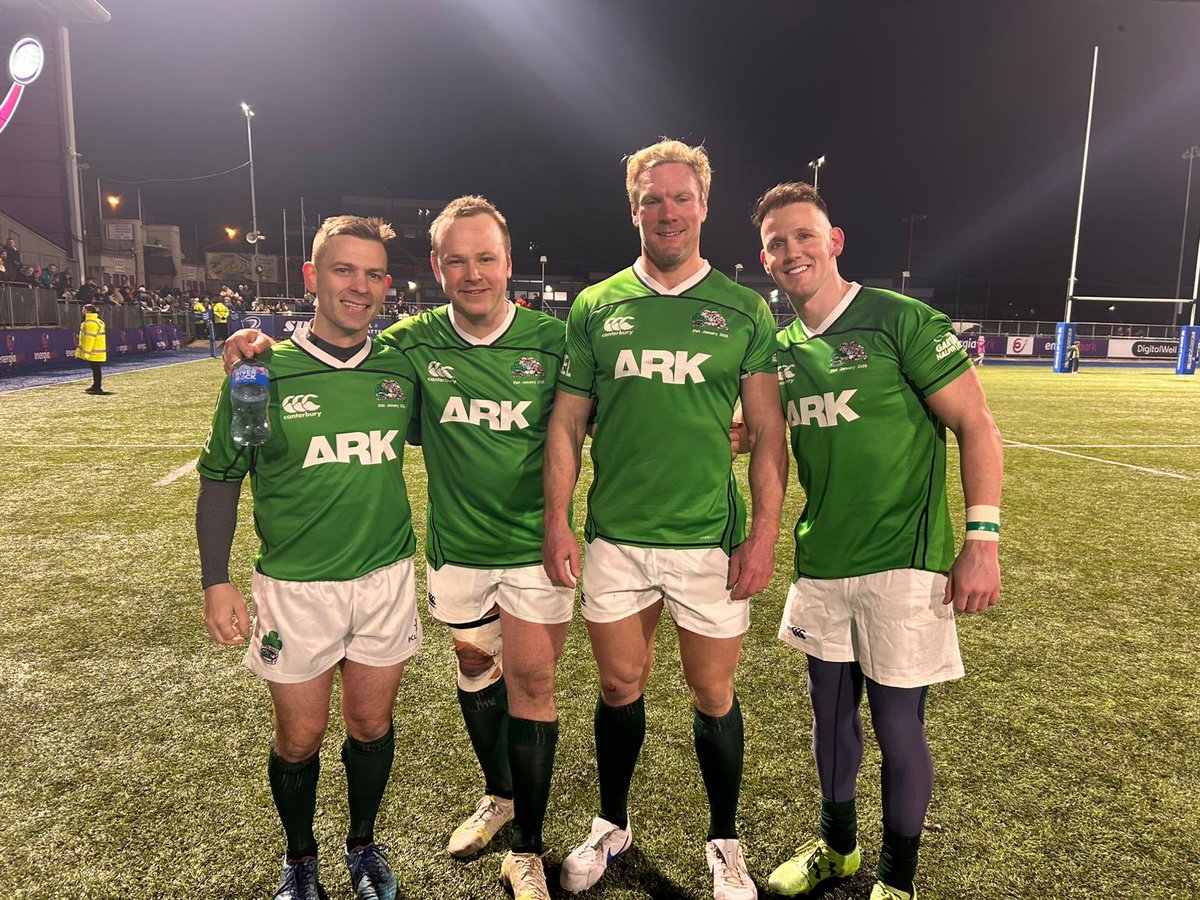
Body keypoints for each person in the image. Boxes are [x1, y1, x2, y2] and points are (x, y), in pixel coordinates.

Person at [224, 196, 573, 900]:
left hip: (536, 548)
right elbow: (339, 356)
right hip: (455, 551)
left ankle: (529, 849)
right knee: (475, 668)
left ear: (509, 263)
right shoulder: (410, 343)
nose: (472, 273)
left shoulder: (556, 342)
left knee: (533, 682)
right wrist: (251, 344)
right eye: (455, 260)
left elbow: (612, 409)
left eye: (486, 258)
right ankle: (498, 797)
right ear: (437, 269)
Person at [543, 139, 788, 900]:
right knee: (620, 685)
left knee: (712, 695)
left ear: (704, 205)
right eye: (653, 199)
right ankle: (611, 826)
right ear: (635, 208)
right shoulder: (597, 304)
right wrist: (559, 519)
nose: (668, 211)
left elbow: (768, 435)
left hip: (708, 542)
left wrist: (762, 537)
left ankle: (724, 841)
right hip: (616, 538)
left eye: (681, 198)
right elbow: (565, 423)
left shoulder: (745, 308)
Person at [743, 182, 1002, 900]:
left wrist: (982, 538)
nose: (790, 251)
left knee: (896, 725)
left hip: (903, 564)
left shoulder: (900, 320)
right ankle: (838, 848)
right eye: (775, 243)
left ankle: (898, 878)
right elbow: (759, 434)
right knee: (829, 720)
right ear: (763, 260)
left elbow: (976, 424)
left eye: (803, 235)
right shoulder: (780, 349)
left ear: (835, 241)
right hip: (822, 558)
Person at [197, 215, 420, 900]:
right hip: (295, 586)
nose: (360, 286)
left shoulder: (400, 367)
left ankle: (362, 844)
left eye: (374, 273)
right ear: (312, 277)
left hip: (386, 577)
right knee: (300, 737)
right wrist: (215, 581)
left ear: (388, 285)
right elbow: (221, 476)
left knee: (371, 724)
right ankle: (300, 857)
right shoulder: (260, 372)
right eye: (343, 270)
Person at [76, 303, 110, 395]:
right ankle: (96, 385)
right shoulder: (97, 321)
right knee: (95, 368)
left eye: (83, 309)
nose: (82, 311)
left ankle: (97, 386)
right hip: (97, 349)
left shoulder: (91, 323)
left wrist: (86, 353)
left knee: (96, 368)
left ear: (89, 311)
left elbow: (89, 339)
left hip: (94, 351)